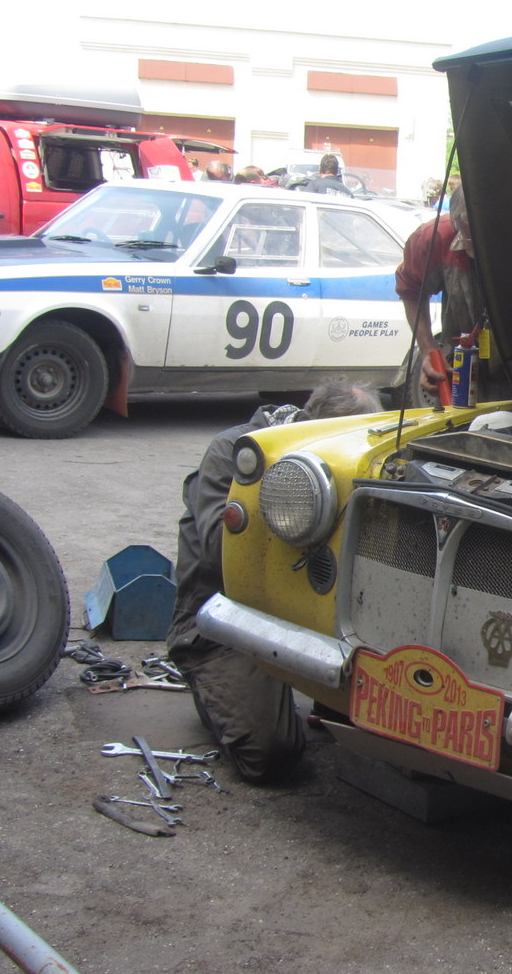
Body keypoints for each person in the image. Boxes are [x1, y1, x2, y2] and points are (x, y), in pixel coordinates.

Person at [167, 381, 383, 781]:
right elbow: (221, 553)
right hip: (226, 620)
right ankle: (206, 679)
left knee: (393, 741)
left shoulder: (366, 460)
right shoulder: (236, 452)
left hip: (318, 618)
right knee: (271, 754)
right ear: (310, 425)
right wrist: (296, 505)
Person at [395, 178, 487, 398]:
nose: (476, 240)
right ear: (455, 221)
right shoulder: (433, 238)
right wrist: (428, 349)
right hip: (463, 361)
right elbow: (411, 290)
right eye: (468, 232)